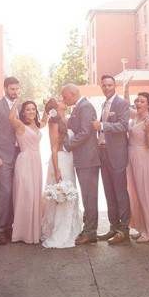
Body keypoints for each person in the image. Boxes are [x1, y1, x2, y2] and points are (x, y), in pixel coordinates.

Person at [91, 75, 131, 245]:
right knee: (108, 192)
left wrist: (103, 126)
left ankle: (124, 230)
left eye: (110, 85)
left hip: (117, 154)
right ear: (101, 86)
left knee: (120, 192)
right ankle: (113, 227)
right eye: (104, 85)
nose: (107, 87)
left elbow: (123, 126)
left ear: (115, 86)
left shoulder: (121, 103)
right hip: (103, 153)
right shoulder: (104, 103)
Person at [41, 98, 83, 248]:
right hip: (59, 160)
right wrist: (57, 169)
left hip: (69, 160)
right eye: (59, 100)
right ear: (55, 107)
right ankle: (59, 232)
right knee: (61, 194)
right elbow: (53, 147)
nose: (63, 100)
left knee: (70, 193)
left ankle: (72, 228)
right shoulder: (53, 122)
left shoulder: (68, 119)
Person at [62, 84, 101, 245]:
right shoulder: (79, 107)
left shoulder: (85, 107)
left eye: (65, 97)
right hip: (82, 159)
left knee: (90, 197)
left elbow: (86, 131)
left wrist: (67, 145)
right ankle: (88, 229)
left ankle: (91, 232)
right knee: (87, 196)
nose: (64, 100)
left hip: (88, 159)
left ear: (73, 94)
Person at [0, 77, 21, 245]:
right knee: (6, 192)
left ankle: (10, 227)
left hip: (20, 156)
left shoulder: (20, 106)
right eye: (12, 89)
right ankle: (0, 229)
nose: (15, 92)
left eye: (17, 89)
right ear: (6, 88)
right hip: (2, 156)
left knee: (16, 192)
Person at [125, 90, 149, 242]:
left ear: (148, 104)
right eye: (137, 100)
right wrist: (126, 88)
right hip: (132, 157)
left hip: (143, 158)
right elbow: (126, 104)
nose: (138, 103)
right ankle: (142, 228)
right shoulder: (135, 116)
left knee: (145, 193)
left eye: (141, 101)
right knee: (134, 194)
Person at [8, 100, 44, 244]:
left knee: (35, 195)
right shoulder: (20, 125)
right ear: (23, 112)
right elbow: (11, 118)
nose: (31, 112)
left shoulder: (37, 125)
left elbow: (46, 121)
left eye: (33, 109)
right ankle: (22, 233)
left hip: (37, 162)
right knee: (25, 194)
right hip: (24, 161)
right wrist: (15, 102)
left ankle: (34, 231)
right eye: (28, 109)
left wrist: (49, 108)